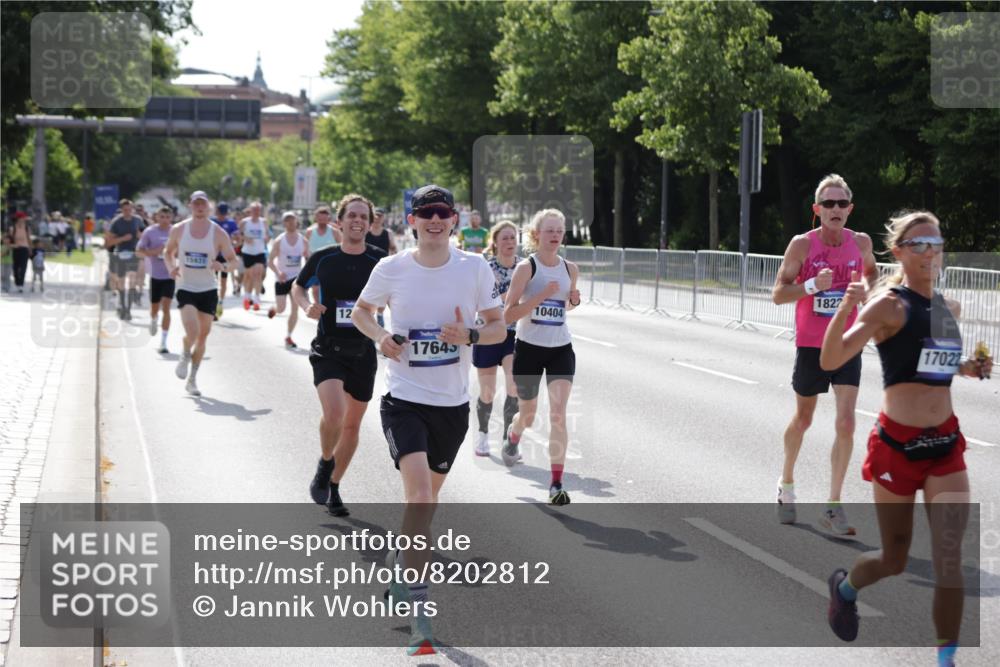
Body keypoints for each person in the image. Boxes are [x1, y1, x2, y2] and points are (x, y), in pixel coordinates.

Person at [820, 211, 991, 665]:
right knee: (894, 559)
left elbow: (931, 363)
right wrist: (845, 306)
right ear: (898, 252)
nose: (929, 250)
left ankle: (945, 659)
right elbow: (831, 357)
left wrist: (966, 368)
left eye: (935, 241)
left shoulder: (948, 308)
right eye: (918, 243)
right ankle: (844, 588)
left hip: (943, 447)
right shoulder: (888, 305)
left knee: (950, 560)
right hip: (897, 447)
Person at [352, 184, 505, 655]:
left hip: (452, 407)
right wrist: (380, 337)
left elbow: (498, 324)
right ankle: (420, 616)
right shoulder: (391, 267)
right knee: (418, 496)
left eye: (442, 213)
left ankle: (401, 570)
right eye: (425, 213)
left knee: (428, 503)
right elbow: (362, 312)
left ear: (454, 220)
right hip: (404, 399)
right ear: (412, 220)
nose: (434, 220)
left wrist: (472, 333)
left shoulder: (474, 267)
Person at [770, 174, 878, 534]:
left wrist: (868, 294)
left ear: (850, 208)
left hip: (848, 343)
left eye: (841, 203)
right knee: (804, 419)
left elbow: (874, 280)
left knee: (847, 422)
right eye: (828, 204)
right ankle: (786, 485)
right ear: (817, 209)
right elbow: (778, 294)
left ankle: (833, 505)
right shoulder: (802, 245)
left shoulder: (860, 243)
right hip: (812, 345)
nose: (835, 209)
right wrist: (813, 285)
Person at [293, 194, 386, 518]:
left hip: (363, 351)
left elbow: (400, 294)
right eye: (352, 216)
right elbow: (298, 286)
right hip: (328, 348)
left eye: (363, 216)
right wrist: (307, 306)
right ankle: (325, 460)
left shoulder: (380, 260)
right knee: (334, 414)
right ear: (340, 221)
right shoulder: (324, 257)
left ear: (370, 222)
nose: (358, 221)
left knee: (351, 426)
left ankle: (333, 484)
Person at [501, 209, 581, 505]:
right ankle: (514, 433)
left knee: (558, 414)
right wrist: (538, 297)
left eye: (559, 230)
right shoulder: (526, 268)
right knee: (529, 415)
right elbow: (509, 313)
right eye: (549, 230)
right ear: (537, 235)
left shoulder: (570, 269)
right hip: (529, 349)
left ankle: (556, 483)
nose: (555, 235)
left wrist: (573, 301)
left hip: (561, 348)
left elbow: (565, 308)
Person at [163, 191, 238, 396]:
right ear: (190, 206)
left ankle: (192, 379)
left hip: (208, 289)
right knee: (193, 331)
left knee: (202, 337)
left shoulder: (218, 233)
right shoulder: (179, 229)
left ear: (209, 207)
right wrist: (171, 267)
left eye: (203, 204)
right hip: (186, 286)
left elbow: (234, 261)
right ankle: (185, 353)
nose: (199, 207)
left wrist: (221, 266)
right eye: (196, 204)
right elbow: (167, 252)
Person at [472, 221, 520, 457]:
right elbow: (477, 300)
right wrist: (504, 296)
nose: (510, 242)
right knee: (488, 391)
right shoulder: (485, 268)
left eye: (513, 238)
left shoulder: (525, 267)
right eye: (505, 238)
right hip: (488, 332)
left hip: (514, 333)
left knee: (513, 386)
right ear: (495, 242)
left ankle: (508, 441)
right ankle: (482, 435)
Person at [136, 206, 176, 353]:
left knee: (166, 307)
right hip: (155, 275)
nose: (165, 220)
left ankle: (164, 343)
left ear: (171, 218)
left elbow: (183, 250)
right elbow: (139, 250)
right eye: (162, 217)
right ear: (156, 217)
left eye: (167, 217)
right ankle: (153, 320)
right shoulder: (150, 232)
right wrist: (156, 251)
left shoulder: (175, 231)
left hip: (170, 274)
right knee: (154, 309)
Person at [267, 211, 308, 349]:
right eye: (287, 220)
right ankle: (274, 308)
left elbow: (309, 259)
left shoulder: (303, 241)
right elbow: (270, 261)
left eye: (292, 220)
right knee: (281, 308)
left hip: (296, 279)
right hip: (282, 279)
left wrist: (307, 274)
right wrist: (279, 273)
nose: (290, 223)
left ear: (297, 221)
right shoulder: (279, 241)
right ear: (284, 223)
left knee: (295, 310)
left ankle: (289, 336)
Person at [105, 199, 146, 320]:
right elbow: (109, 243)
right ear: (121, 210)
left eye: (129, 209)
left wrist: (141, 237)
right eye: (125, 210)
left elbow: (144, 236)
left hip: (134, 253)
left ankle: (128, 309)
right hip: (120, 253)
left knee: (132, 280)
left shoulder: (138, 220)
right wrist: (122, 238)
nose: (127, 212)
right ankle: (122, 306)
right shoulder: (116, 222)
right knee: (121, 282)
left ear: (132, 209)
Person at [211, 202, 241, 318]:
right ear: (217, 212)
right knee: (213, 281)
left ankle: (220, 302)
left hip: (225, 257)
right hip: (213, 257)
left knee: (223, 281)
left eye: (223, 213)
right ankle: (212, 302)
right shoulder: (212, 222)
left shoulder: (231, 223)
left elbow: (239, 238)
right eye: (220, 213)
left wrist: (233, 245)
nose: (221, 216)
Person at [239, 201, 269, 311]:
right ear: (250, 211)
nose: (256, 212)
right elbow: (239, 235)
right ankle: (247, 297)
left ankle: (257, 301)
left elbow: (268, 235)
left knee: (258, 274)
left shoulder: (264, 222)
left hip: (260, 251)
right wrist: (245, 238)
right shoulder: (244, 222)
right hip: (248, 252)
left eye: (258, 210)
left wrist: (267, 239)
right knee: (248, 276)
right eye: (254, 210)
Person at [11, 213, 31, 293]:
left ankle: (21, 284)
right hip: (16, 249)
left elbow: (28, 238)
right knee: (15, 267)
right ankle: (17, 282)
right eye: (23, 218)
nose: (24, 220)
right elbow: (10, 238)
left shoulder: (26, 228)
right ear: (18, 219)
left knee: (23, 267)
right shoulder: (13, 228)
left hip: (24, 249)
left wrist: (30, 249)